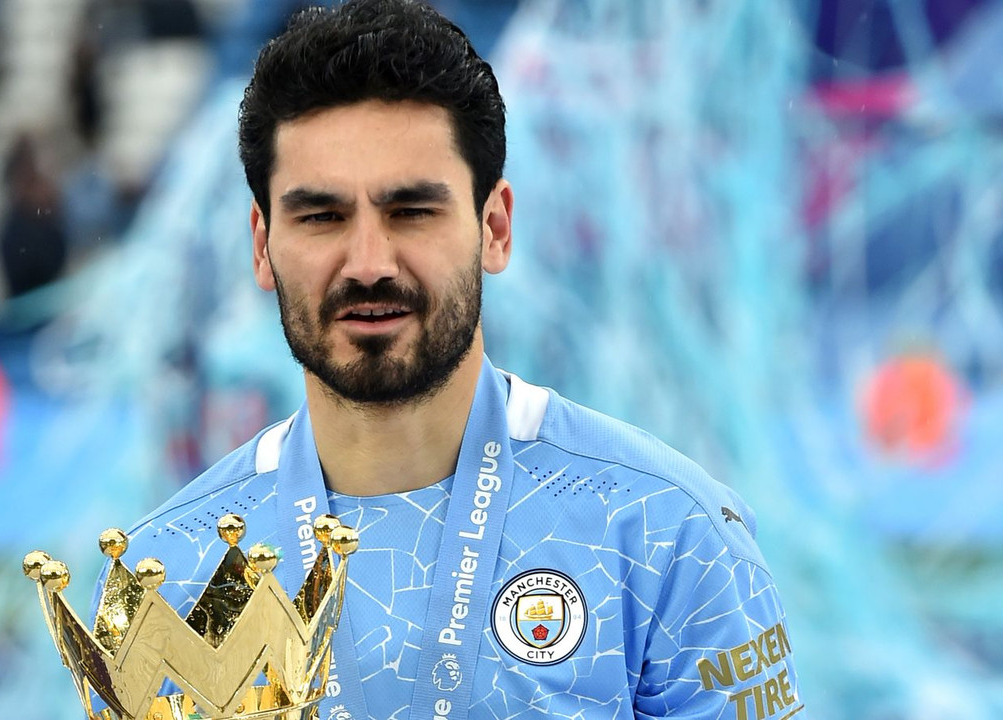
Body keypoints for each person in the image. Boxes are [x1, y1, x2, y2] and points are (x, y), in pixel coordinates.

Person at [106, 1, 805, 718]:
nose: (369, 263)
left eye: (412, 210)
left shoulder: (667, 534)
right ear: (262, 246)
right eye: (322, 216)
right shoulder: (169, 575)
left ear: (495, 228)